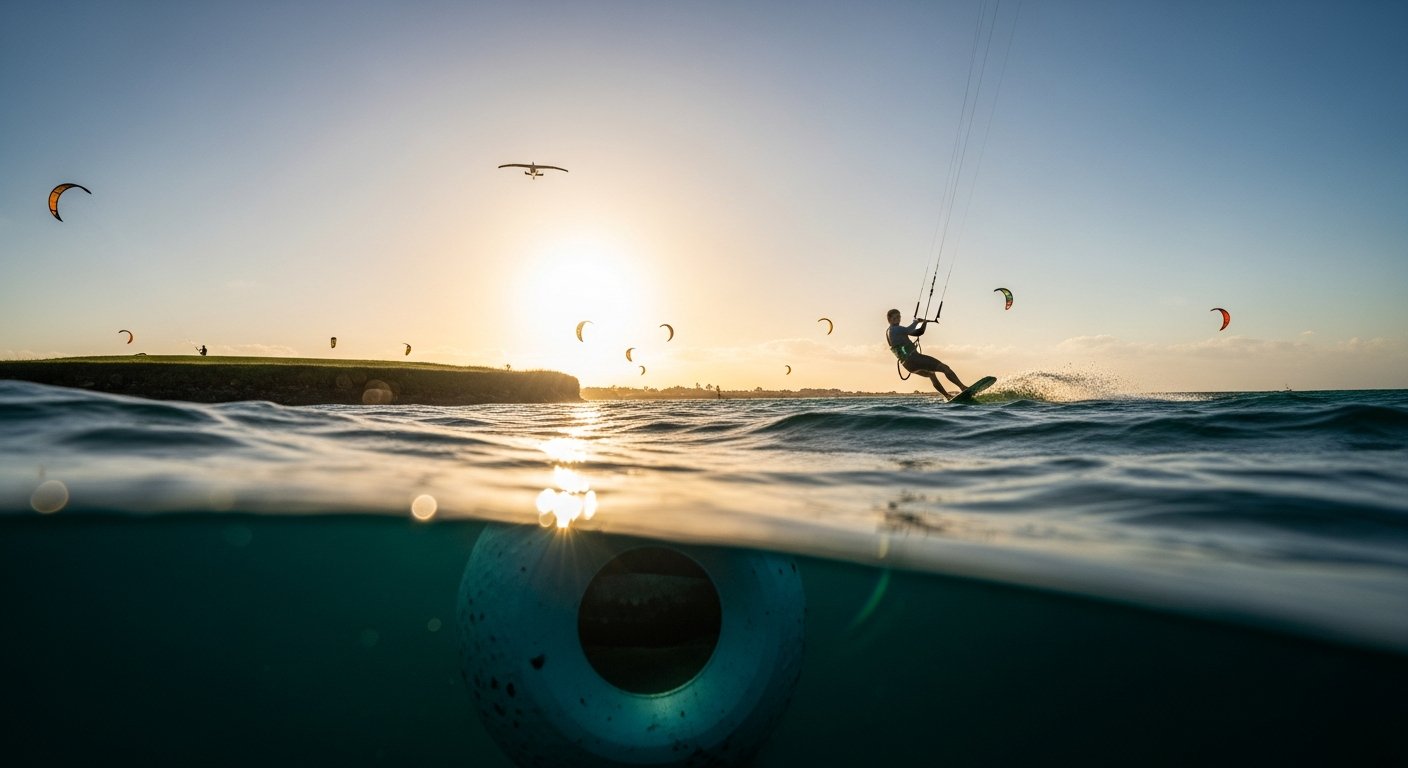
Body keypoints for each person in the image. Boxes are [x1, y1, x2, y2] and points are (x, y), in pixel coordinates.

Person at [885, 308, 968, 399]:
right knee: (945, 368)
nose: (897, 319)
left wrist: (924, 323)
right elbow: (911, 330)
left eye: (899, 317)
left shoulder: (890, 332)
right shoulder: (896, 329)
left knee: (931, 374)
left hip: (908, 366)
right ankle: (963, 387)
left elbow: (918, 332)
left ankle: (947, 396)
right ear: (889, 320)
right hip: (914, 359)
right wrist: (916, 322)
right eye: (894, 318)